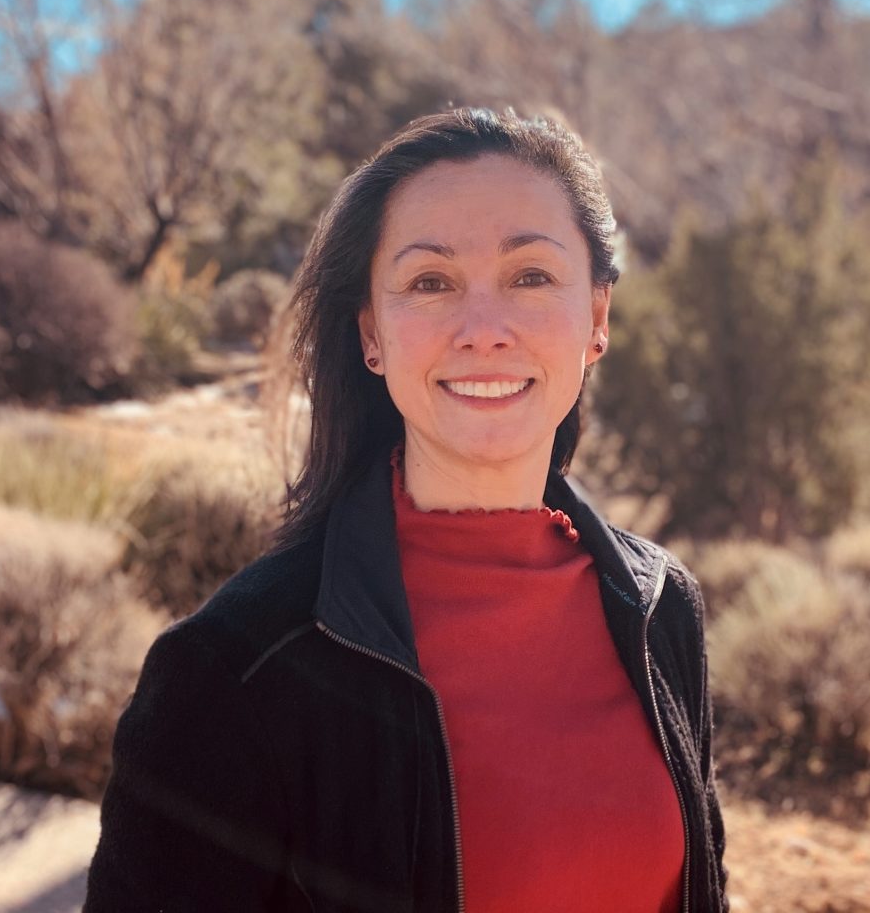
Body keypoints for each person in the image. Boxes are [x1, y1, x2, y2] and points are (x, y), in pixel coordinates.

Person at [83, 107, 729, 912]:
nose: (484, 331)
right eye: (431, 283)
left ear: (596, 318)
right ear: (371, 334)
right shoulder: (233, 672)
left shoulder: (660, 607)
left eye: (530, 276)